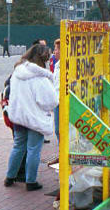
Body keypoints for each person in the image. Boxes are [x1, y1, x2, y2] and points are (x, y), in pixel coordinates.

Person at [4, 44, 58, 191]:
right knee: (34, 149)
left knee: (18, 146)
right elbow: (49, 101)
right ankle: (31, 181)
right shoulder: (41, 78)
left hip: (19, 116)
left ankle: (10, 177)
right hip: (35, 118)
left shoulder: (17, 72)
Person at [48, 39, 60, 167]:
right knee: (57, 130)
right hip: (57, 101)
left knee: (59, 129)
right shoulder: (57, 65)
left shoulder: (66, 66)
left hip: (62, 102)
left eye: (56, 49)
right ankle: (61, 154)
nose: (54, 52)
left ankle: (63, 154)